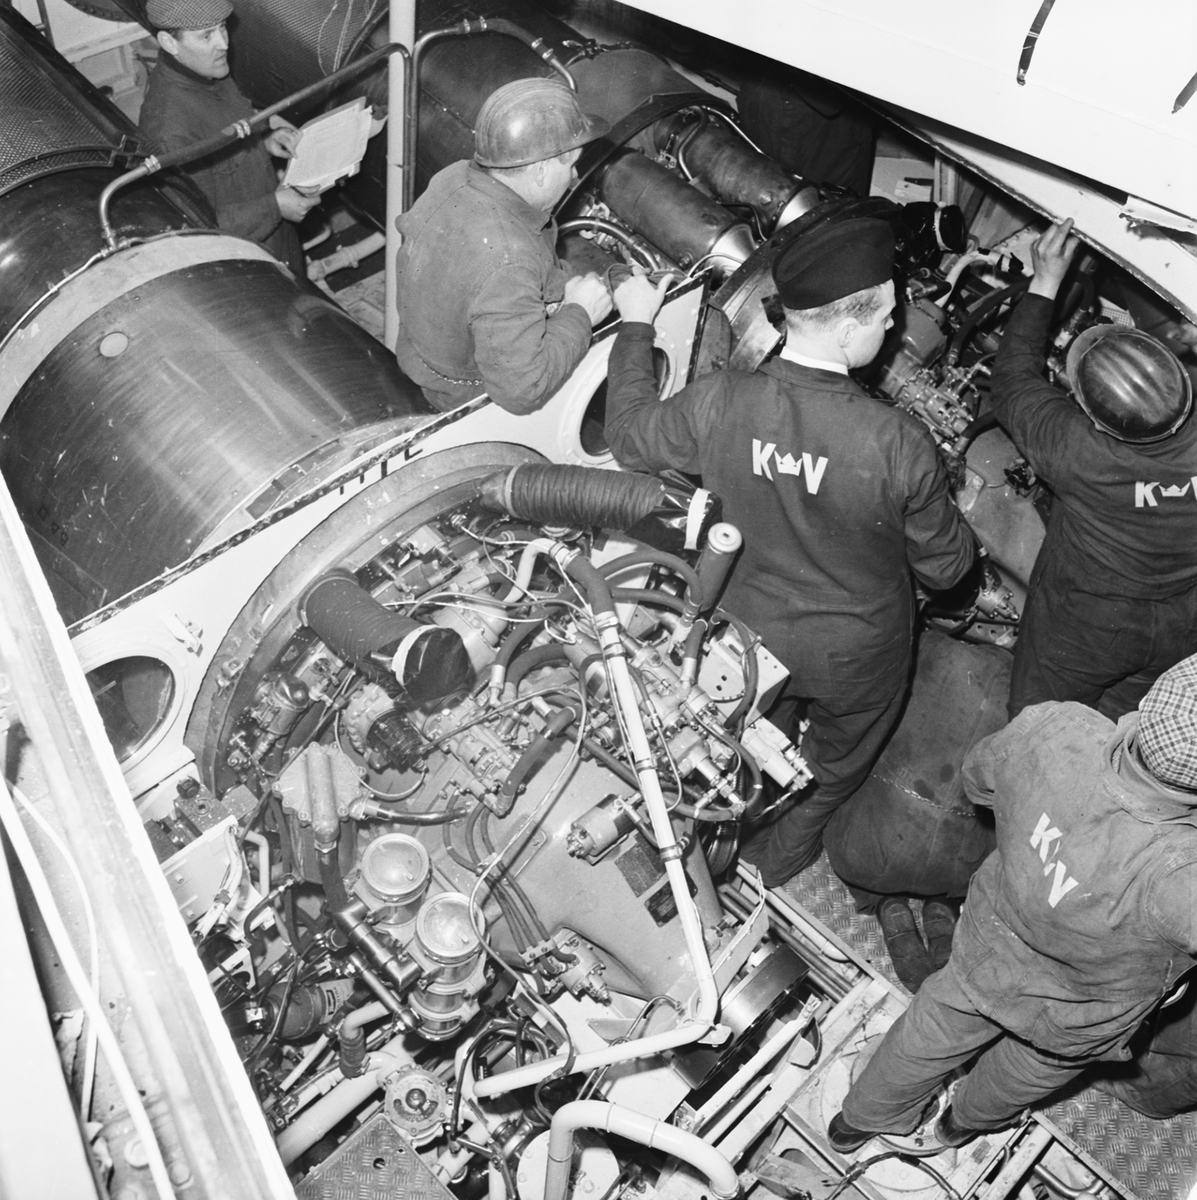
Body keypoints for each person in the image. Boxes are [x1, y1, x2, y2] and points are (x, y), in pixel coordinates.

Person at [604, 219, 977, 904]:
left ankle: (713, 840)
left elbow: (626, 436)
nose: (893, 326)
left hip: (740, 636)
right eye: (886, 317)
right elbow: (948, 573)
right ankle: (773, 863)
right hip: (854, 654)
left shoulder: (720, 399)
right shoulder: (898, 441)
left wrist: (635, 327)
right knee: (832, 767)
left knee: (728, 742)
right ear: (848, 331)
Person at [828, 653, 1197, 1155]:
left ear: (1156, 695)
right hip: (1074, 1015)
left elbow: (977, 781)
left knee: (930, 1029)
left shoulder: (1057, 728)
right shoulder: (1184, 875)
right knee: (1025, 1072)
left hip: (988, 943)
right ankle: (959, 1126)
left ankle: (858, 1122)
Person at [991, 219, 1197, 720]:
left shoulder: (1079, 452)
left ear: (1093, 419)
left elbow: (1013, 377)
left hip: (1091, 625)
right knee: (1123, 725)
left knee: (1042, 726)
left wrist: (1045, 281)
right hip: (1182, 621)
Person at [393, 77, 614, 414]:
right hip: (465, 397)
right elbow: (523, 392)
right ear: (540, 170)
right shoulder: (509, 260)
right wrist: (581, 313)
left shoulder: (454, 177)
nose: (573, 178)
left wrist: (561, 289)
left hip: (423, 353)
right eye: (570, 165)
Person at [138, 0, 319, 277]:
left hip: (278, 237)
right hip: (246, 262)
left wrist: (264, 143)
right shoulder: (168, 129)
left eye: (222, 27)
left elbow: (226, 143)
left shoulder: (208, 70)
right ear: (169, 43)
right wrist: (275, 206)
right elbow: (198, 227)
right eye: (206, 36)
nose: (223, 43)